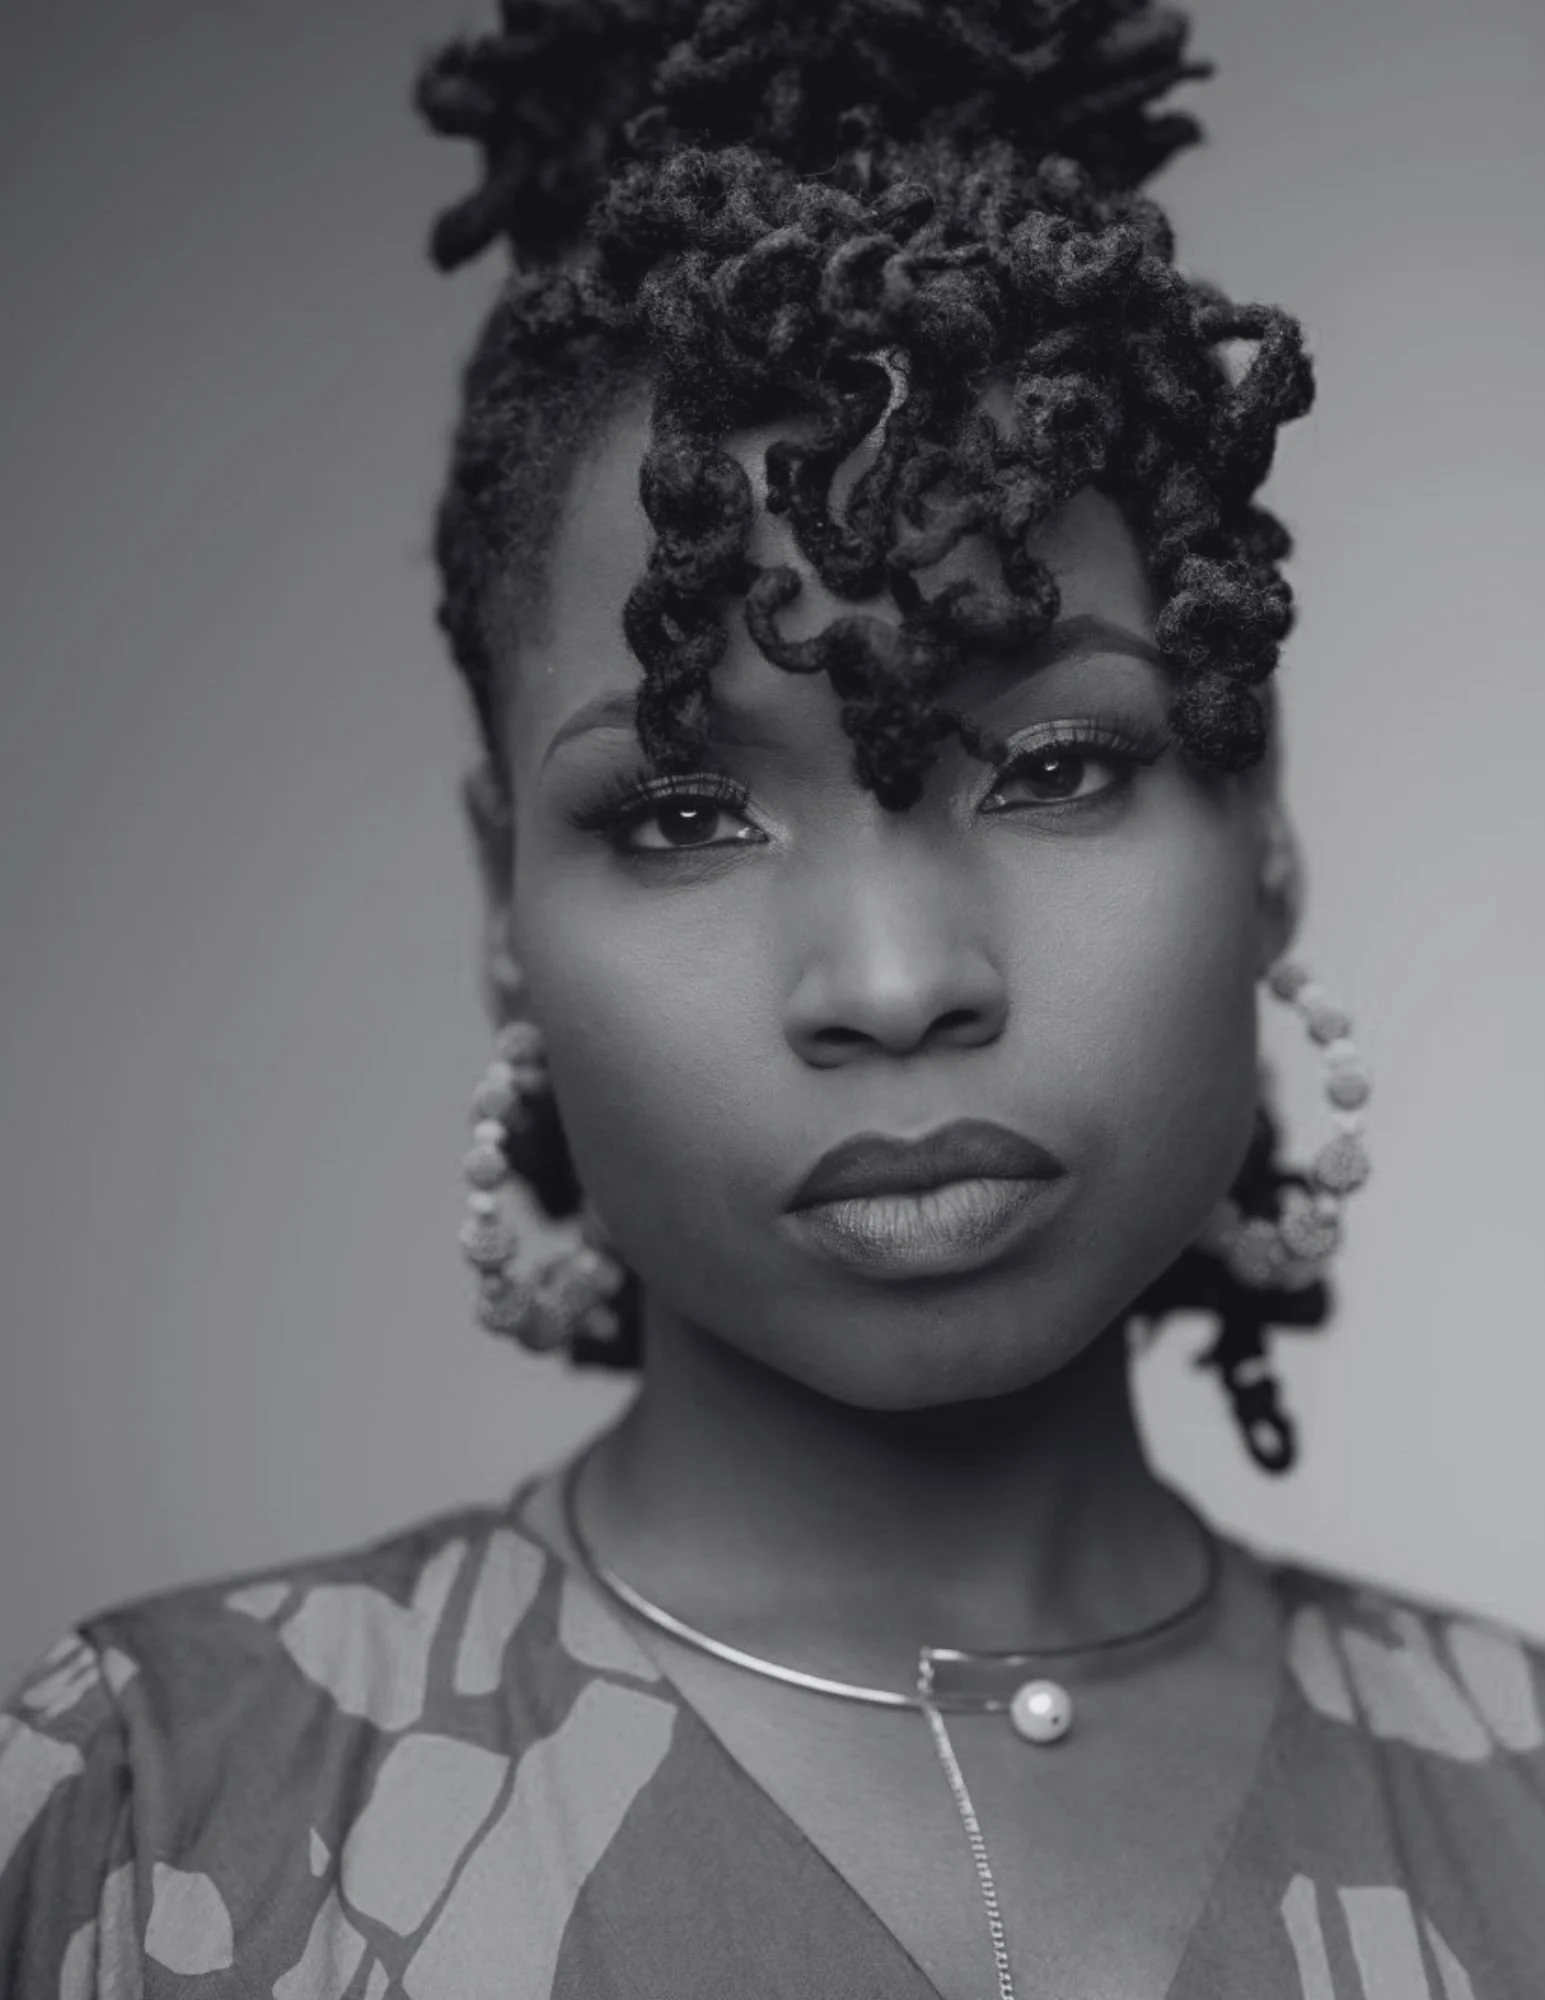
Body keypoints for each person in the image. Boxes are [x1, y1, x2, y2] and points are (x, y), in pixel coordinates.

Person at [2, 2, 1540, 1994]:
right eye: (684, 809)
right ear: (503, 901)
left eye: (1059, 766)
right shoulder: (149, 1817)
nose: (894, 982)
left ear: (1262, 825)